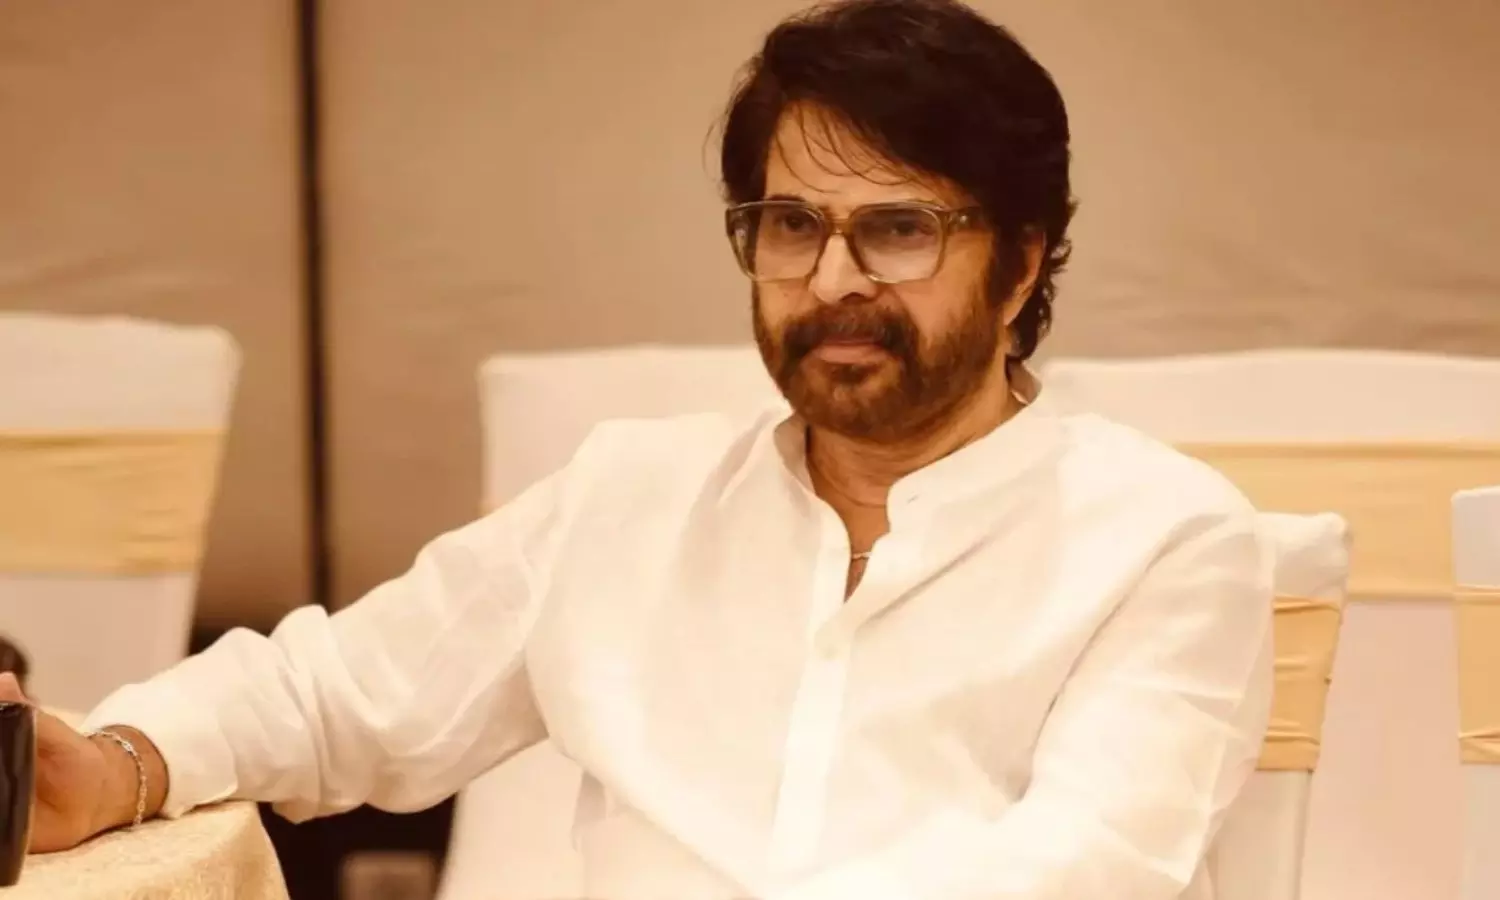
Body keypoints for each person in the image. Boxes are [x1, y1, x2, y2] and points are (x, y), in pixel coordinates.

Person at [1, 1, 1272, 897]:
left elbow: (1079, 871)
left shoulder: (1164, 539)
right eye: (791, 224)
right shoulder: (632, 495)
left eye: (898, 229)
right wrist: (116, 767)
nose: (834, 279)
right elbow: (338, 695)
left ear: (1024, 263)